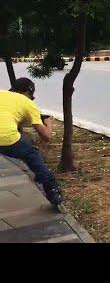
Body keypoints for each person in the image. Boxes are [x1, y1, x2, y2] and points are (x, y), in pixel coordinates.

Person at [0, 77, 63, 207]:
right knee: (31, 154)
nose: (32, 99)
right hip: (6, 138)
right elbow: (46, 137)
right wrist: (48, 123)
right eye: (32, 96)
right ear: (28, 93)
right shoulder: (28, 103)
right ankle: (53, 193)